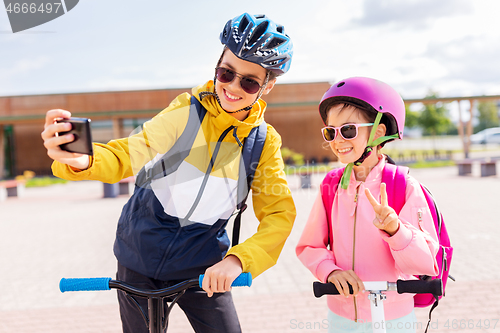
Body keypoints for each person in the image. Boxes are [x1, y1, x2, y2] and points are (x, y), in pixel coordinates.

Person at [41, 13, 296, 333]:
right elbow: (131, 151)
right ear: (216, 66)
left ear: (267, 86)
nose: (232, 87)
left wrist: (239, 260)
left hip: (204, 268)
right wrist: (83, 160)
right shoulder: (186, 112)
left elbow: (278, 213)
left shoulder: (262, 142)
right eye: (226, 73)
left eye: (249, 82)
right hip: (139, 255)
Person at [295, 77, 439, 333]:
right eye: (331, 131)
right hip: (341, 316)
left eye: (348, 130)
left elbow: (426, 261)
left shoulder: (404, 185)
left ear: (379, 132)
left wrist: (396, 231)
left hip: (394, 317)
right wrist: (330, 272)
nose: (337, 140)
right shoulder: (331, 185)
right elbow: (310, 245)